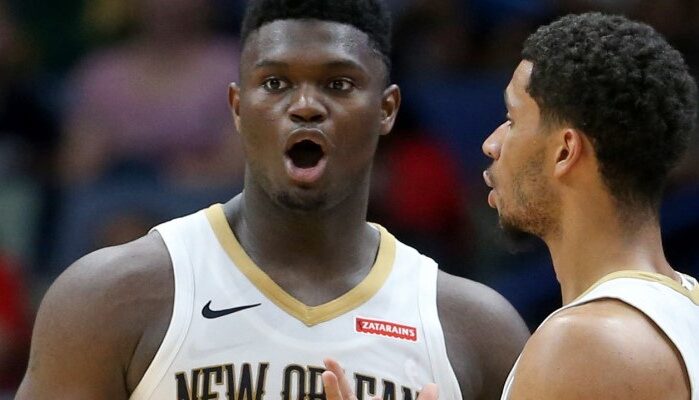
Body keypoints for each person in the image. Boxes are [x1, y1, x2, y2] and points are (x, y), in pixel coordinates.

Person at [16, 1, 530, 399]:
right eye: (276, 82)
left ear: (387, 109)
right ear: (238, 107)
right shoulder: (108, 298)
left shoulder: (475, 328)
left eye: (339, 83)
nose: (305, 105)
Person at [323, 12, 699, 400]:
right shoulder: (683, 308)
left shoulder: (587, 341)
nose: (491, 143)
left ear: (565, 151)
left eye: (511, 119)